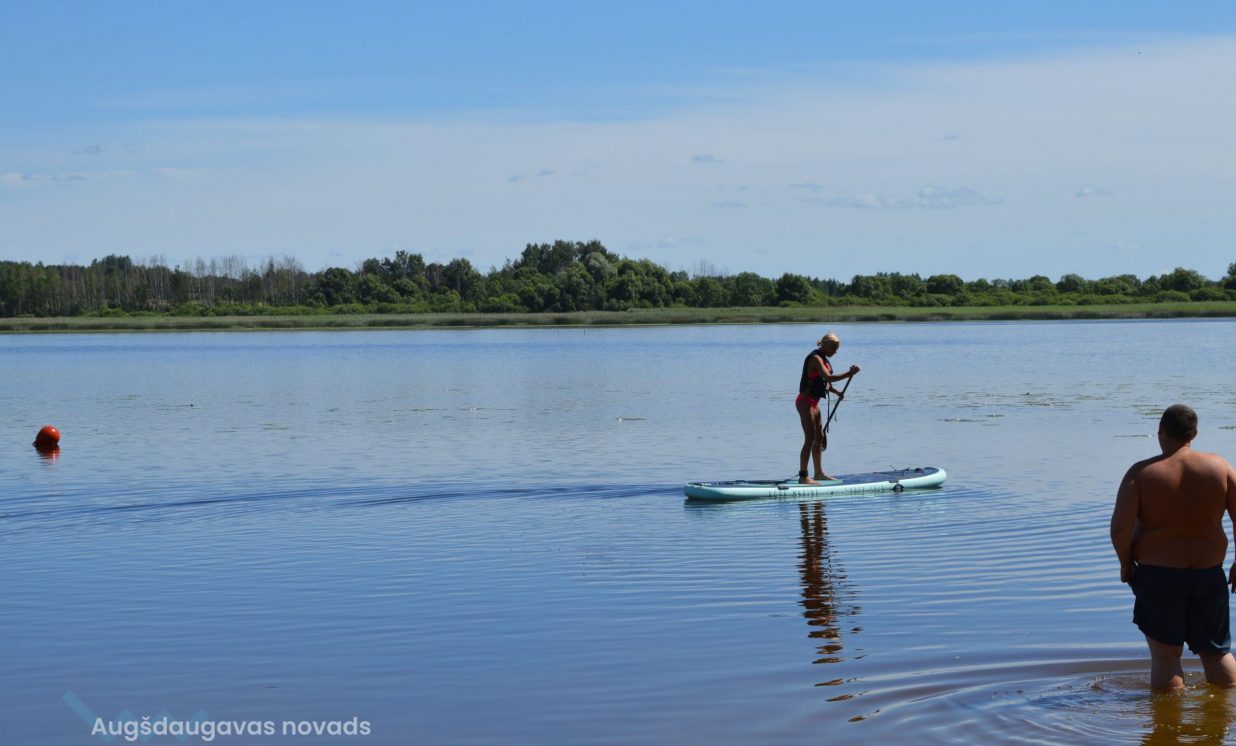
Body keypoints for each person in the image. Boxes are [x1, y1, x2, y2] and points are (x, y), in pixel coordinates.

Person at [1110, 404, 1236, 690]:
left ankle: (1167, 717)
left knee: (1165, 656)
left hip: (1159, 576)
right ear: (1195, 434)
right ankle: (1226, 712)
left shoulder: (1142, 473)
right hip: (1208, 573)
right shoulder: (1221, 468)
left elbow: (1119, 528)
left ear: (1160, 430)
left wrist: (1126, 563)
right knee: (1217, 653)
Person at [795, 333, 859, 484]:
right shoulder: (815, 358)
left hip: (814, 403)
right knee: (810, 439)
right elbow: (827, 377)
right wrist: (849, 374)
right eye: (834, 348)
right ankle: (803, 476)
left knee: (819, 438)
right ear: (825, 345)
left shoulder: (824, 359)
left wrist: (836, 391)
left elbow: (823, 382)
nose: (835, 352)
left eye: (837, 349)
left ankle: (818, 473)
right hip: (805, 402)